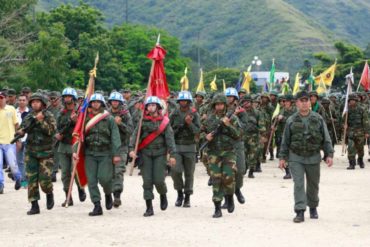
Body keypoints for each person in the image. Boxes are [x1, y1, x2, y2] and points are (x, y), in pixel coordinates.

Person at [279, 90, 334, 223]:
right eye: (301, 101)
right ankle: (300, 210)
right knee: (298, 184)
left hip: (313, 157)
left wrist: (329, 154)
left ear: (310, 102)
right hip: (296, 157)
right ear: (296, 103)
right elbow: (285, 140)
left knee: (313, 185)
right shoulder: (291, 120)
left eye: (306, 101)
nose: (304, 103)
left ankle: (313, 207)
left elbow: (326, 138)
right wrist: (282, 157)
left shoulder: (318, 118)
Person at [73, 93, 121, 216]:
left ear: (102, 104)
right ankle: (97, 205)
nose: (95, 104)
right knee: (92, 180)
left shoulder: (109, 118)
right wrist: (76, 151)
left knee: (105, 179)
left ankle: (108, 193)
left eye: (97, 102)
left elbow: (115, 137)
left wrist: (116, 154)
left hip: (105, 153)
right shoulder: (85, 119)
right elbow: (79, 136)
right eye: (93, 102)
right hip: (90, 153)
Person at [129, 96, 176, 217]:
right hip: (145, 154)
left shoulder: (164, 122)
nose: (151, 107)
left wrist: (172, 155)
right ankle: (149, 207)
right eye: (149, 105)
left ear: (158, 107)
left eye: (153, 105)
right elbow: (135, 137)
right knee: (147, 181)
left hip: (160, 154)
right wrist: (131, 150)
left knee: (159, 180)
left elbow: (170, 139)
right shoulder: (142, 121)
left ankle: (163, 194)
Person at [201, 93, 241, 218]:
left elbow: (238, 134)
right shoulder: (209, 119)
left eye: (221, 104)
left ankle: (230, 197)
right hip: (213, 152)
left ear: (225, 105)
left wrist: (228, 125)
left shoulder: (232, 118)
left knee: (228, 177)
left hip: (229, 152)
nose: (219, 106)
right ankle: (217, 207)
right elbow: (200, 133)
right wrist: (205, 136)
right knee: (216, 179)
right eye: (217, 104)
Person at [18, 93, 57, 215]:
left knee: (45, 181)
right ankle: (34, 205)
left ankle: (49, 193)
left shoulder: (48, 116)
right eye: (33, 102)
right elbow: (23, 128)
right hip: (31, 152)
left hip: (45, 153)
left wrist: (41, 121)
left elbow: (51, 131)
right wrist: (20, 132)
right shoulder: (29, 116)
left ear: (42, 104)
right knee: (32, 180)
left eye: (37, 102)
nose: (35, 104)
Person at [56, 88, 86, 207]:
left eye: (69, 96)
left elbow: (83, 126)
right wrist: (58, 133)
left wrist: (76, 120)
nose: (67, 98)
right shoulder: (61, 112)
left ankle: (80, 188)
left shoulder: (81, 111)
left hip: (75, 145)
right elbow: (58, 126)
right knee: (65, 174)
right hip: (63, 145)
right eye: (65, 96)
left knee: (76, 171)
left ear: (73, 98)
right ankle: (68, 197)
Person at [170, 91, 200, 208]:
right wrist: (181, 126)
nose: (183, 103)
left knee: (189, 174)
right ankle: (179, 193)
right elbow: (169, 130)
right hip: (176, 146)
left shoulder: (194, 114)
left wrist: (189, 123)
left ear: (189, 102)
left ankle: (187, 196)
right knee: (175, 171)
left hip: (190, 147)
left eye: (185, 101)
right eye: (181, 101)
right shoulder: (174, 113)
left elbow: (197, 131)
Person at [108, 91, 133, 208]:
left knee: (118, 171)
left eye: (117, 101)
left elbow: (130, 131)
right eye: (113, 101)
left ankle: (117, 195)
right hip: (107, 147)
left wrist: (120, 124)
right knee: (107, 173)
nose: (115, 103)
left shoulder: (125, 114)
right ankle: (108, 194)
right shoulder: (106, 114)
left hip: (121, 147)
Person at [0, 91, 22, 194]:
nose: (0, 100)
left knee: (12, 165)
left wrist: (18, 140)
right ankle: (1, 185)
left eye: (1, 98)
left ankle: (18, 178)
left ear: (6, 99)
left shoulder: (11, 109)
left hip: (9, 142)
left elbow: (16, 125)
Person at [345, 93, 370, 169]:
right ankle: (352, 163)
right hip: (350, 132)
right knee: (350, 147)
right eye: (350, 100)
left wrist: (366, 132)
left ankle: (360, 160)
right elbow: (343, 120)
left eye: (353, 100)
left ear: (356, 100)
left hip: (360, 132)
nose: (351, 102)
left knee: (360, 148)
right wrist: (344, 125)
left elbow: (365, 121)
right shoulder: (347, 109)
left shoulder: (362, 109)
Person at [15, 94, 30, 188]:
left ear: (27, 101)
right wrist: (18, 140)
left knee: (27, 161)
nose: (21, 102)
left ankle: (27, 181)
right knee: (19, 162)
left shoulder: (30, 112)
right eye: (20, 100)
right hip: (17, 139)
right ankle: (23, 182)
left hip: (29, 139)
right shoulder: (14, 112)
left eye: (23, 100)